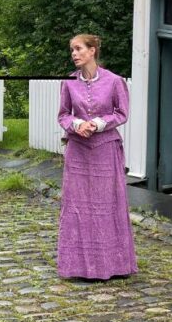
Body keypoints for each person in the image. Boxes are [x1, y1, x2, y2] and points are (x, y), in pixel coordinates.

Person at [57, 34, 137, 281]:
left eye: (79, 49)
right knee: (77, 205)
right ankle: (79, 268)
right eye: (72, 49)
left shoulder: (114, 81)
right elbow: (63, 115)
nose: (74, 54)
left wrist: (100, 123)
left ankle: (114, 265)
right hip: (78, 150)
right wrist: (77, 123)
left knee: (107, 204)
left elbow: (122, 113)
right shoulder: (68, 83)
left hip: (105, 149)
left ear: (92, 51)